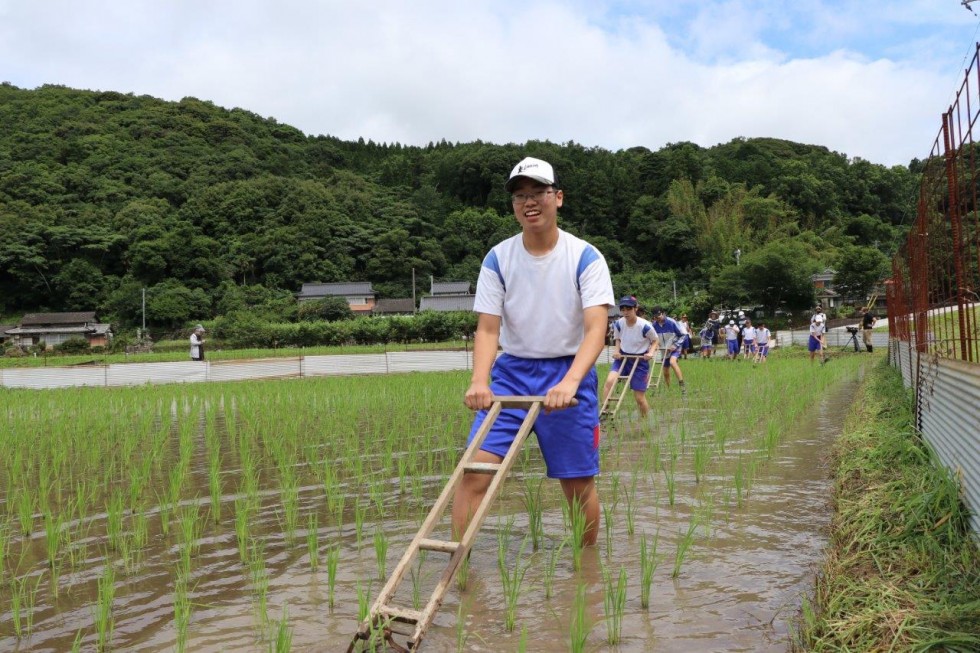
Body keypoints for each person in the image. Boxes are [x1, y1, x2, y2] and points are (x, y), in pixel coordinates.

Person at [452, 156, 614, 548]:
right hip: (512, 375)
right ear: (513, 206)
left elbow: (596, 328)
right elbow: (488, 328)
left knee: (577, 484)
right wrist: (479, 381)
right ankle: (460, 575)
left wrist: (571, 381)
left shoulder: (585, 257)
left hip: (567, 373)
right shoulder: (497, 259)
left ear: (557, 197)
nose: (529, 202)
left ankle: (585, 570)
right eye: (520, 195)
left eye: (538, 192)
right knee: (473, 475)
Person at [602, 296, 659, 418]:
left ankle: (647, 421)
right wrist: (617, 351)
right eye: (623, 309)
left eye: (629, 309)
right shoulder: (619, 324)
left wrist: (651, 353)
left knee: (639, 398)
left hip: (640, 361)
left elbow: (655, 341)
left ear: (635, 308)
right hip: (623, 357)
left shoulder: (645, 326)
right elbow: (617, 339)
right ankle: (605, 413)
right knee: (609, 382)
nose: (625, 312)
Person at [651, 307, 687, 395]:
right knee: (666, 371)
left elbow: (683, 335)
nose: (657, 318)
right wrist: (654, 346)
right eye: (655, 317)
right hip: (664, 350)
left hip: (674, 347)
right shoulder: (654, 325)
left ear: (663, 313)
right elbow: (653, 338)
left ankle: (682, 386)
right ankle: (669, 389)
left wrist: (675, 345)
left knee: (672, 362)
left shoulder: (671, 322)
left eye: (659, 315)